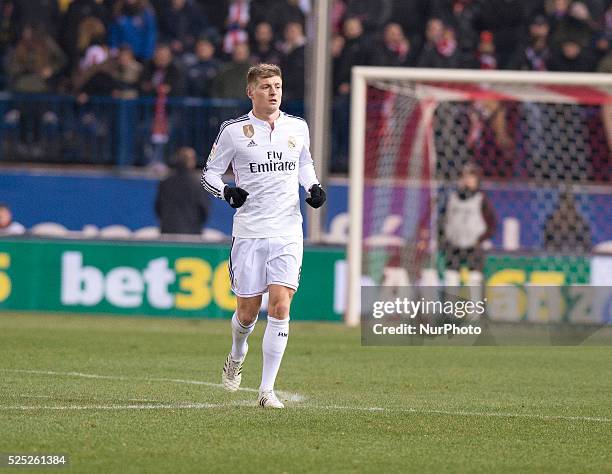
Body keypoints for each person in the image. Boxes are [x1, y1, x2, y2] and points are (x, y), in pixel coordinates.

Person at [201, 63, 326, 408]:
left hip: (287, 228)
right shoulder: (232, 131)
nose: (274, 92)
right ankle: (236, 356)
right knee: (246, 313)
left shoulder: (297, 127)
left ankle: (266, 390)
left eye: (278, 86)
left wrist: (312, 186)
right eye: (267, 86)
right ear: (250, 92)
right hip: (250, 231)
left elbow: (304, 163)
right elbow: (209, 173)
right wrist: (226, 192)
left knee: (281, 304)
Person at [441, 163, 496, 292]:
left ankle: (474, 310)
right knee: (451, 278)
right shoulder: (452, 198)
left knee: (474, 279)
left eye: (471, 177)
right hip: (454, 244)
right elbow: (444, 220)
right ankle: (451, 308)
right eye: (465, 177)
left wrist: (481, 239)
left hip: (473, 245)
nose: (467, 181)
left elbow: (491, 223)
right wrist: (445, 237)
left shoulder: (481, 199)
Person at [155, 147, 209, 235]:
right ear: (191, 162)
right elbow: (204, 210)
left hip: (168, 232)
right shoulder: (198, 185)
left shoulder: (165, 183)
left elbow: (158, 208)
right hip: (192, 233)